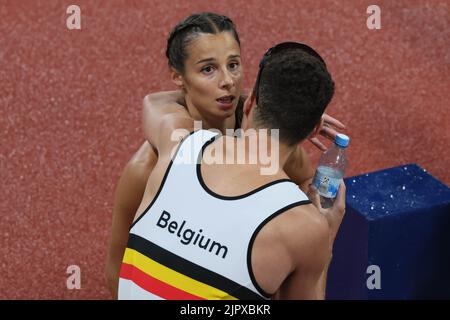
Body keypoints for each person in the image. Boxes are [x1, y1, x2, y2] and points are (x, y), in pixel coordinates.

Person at [105, 12, 345, 298]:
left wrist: (282, 108)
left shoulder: (269, 152)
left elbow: (308, 194)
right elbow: (118, 267)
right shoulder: (152, 164)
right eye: (208, 70)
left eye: (233, 65)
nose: (228, 81)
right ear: (177, 78)